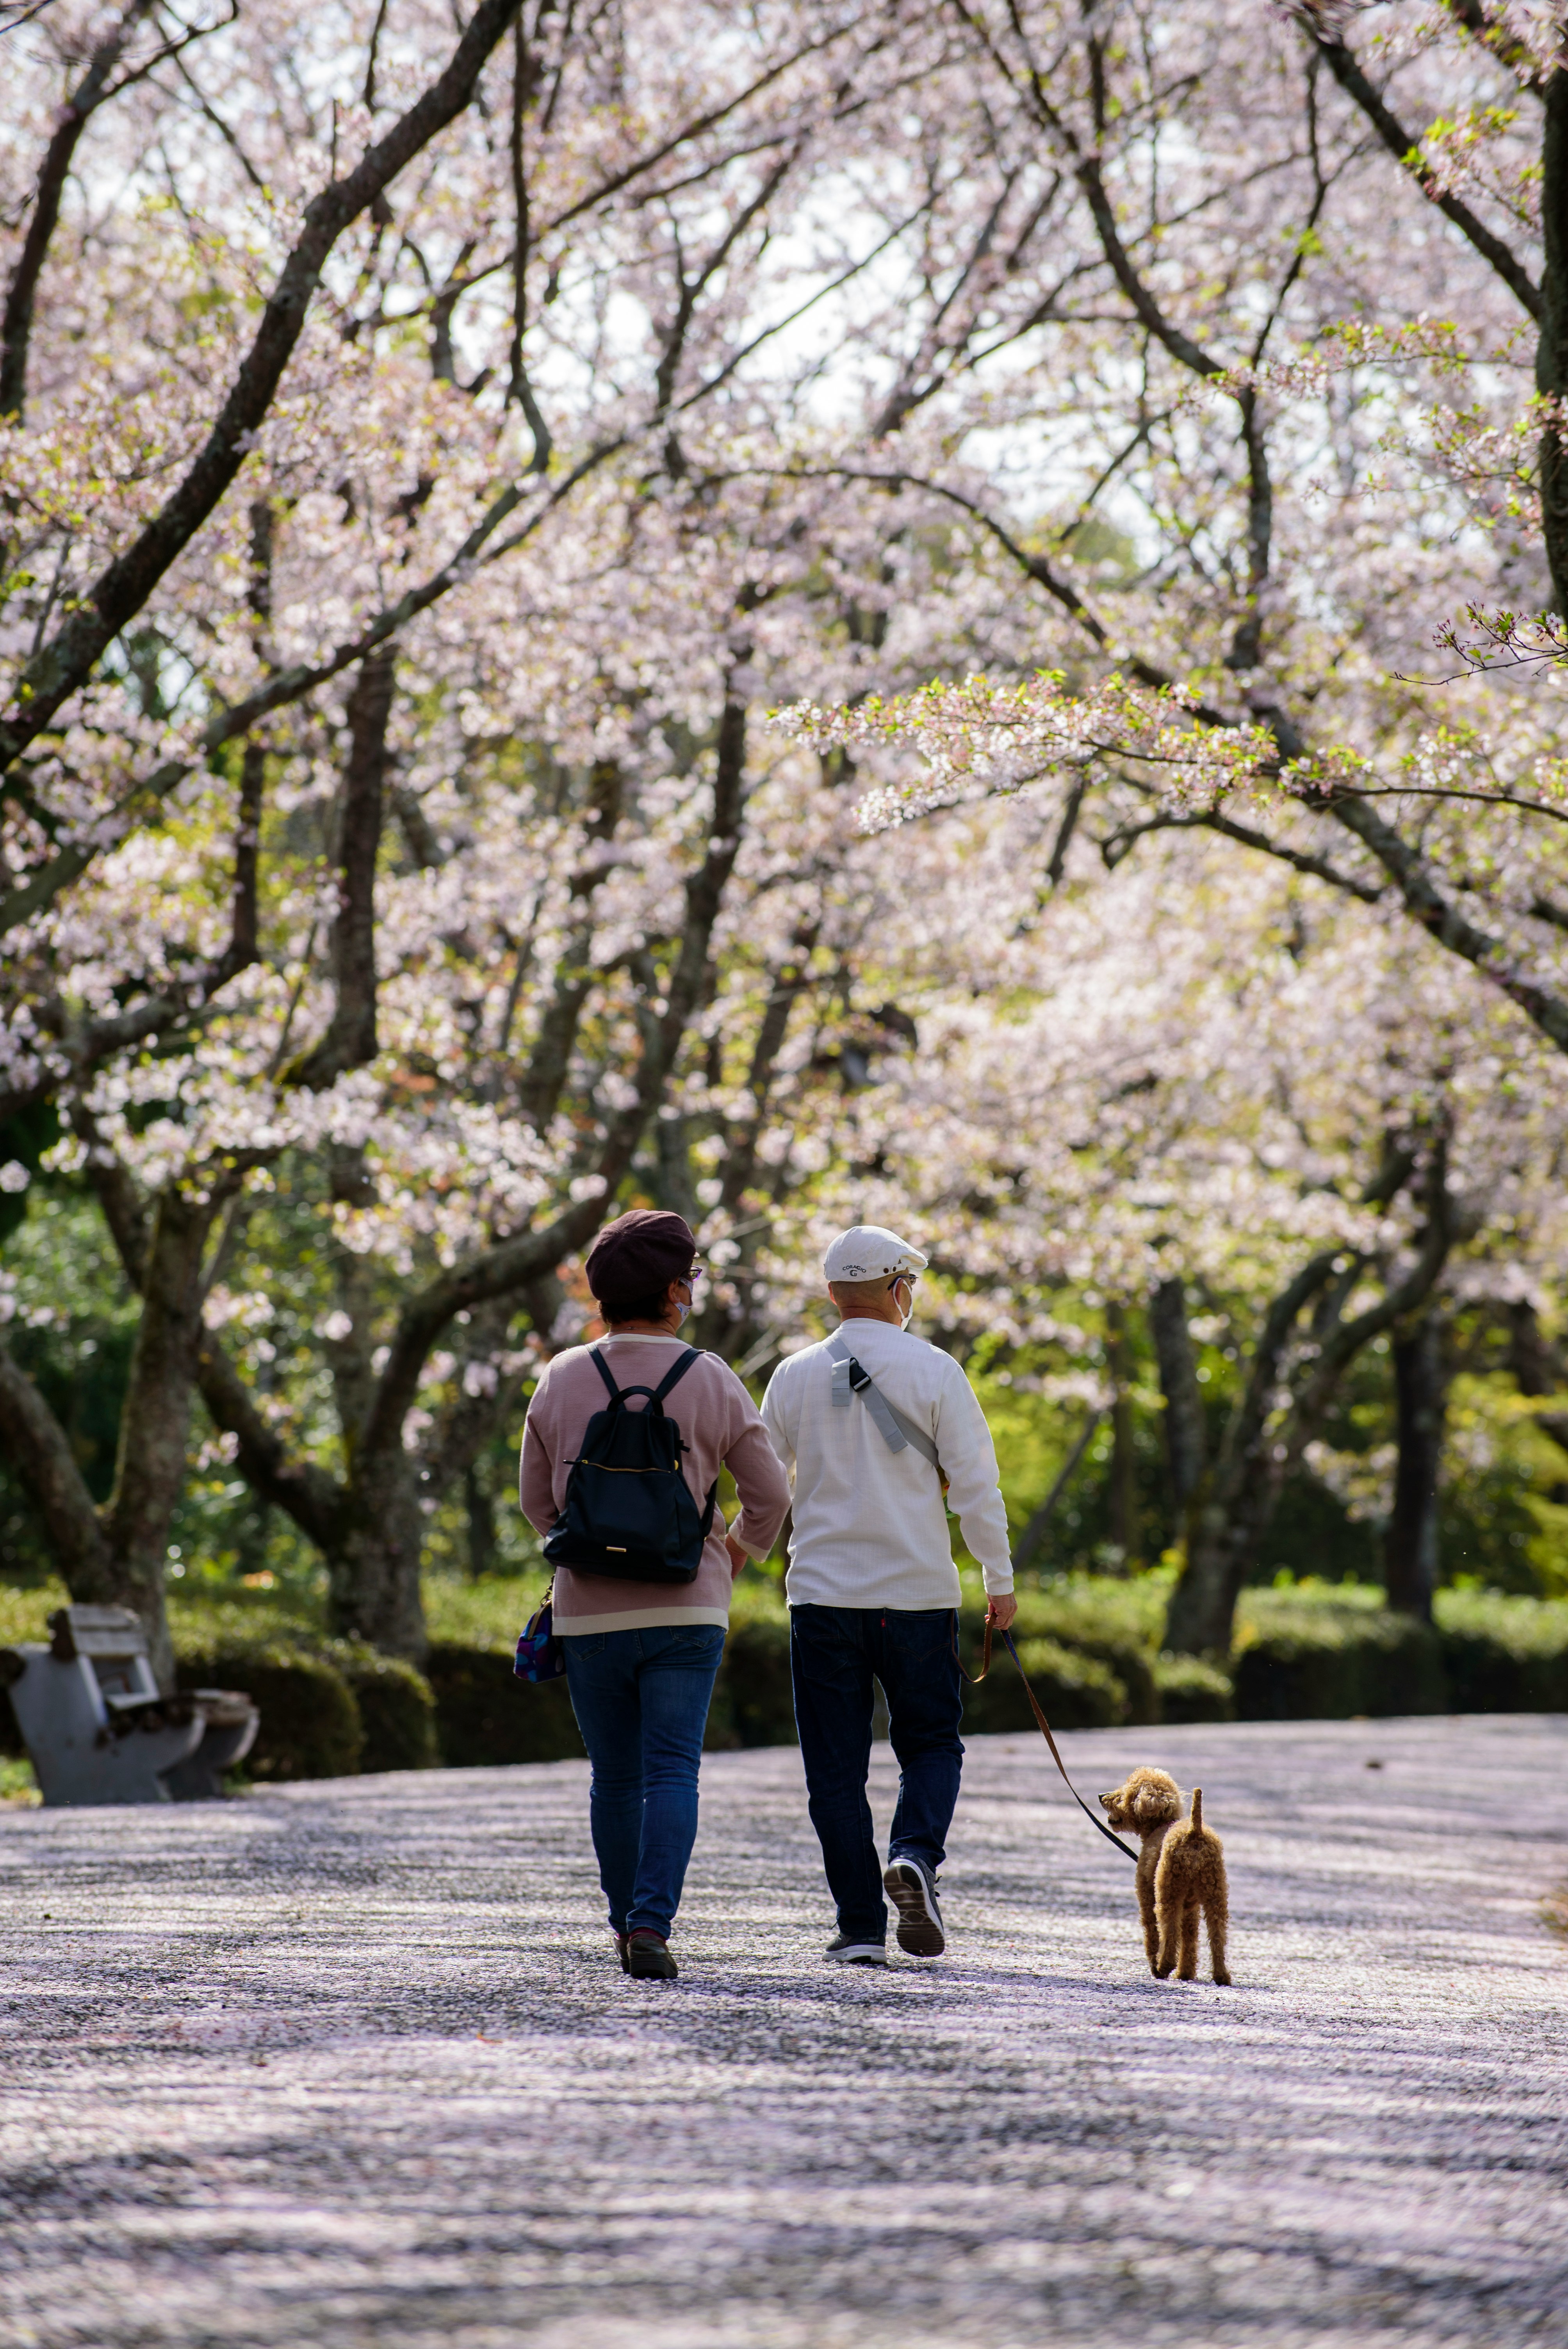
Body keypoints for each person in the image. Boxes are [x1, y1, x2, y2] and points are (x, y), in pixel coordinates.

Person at [520, 1208, 790, 1982]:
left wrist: (589, 1546)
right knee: (673, 1768)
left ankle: (620, 1922)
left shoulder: (563, 1376)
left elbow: (538, 1501)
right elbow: (770, 1493)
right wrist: (734, 1551)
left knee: (615, 1774)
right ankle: (651, 1921)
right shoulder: (709, 1376)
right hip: (686, 1604)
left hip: (589, 1606)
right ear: (674, 1290)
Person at [761, 1224, 1016, 1965]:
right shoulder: (937, 1370)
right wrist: (999, 1582)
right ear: (898, 1288)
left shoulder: (791, 1374)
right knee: (931, 1742)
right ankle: (913, 1857)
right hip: (916, 1596)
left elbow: (766, 1491)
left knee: (834, 1768)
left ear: (834, 1292)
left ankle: (860, 1929)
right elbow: (976, 1488)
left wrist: (730, 1558)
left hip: (821, 1597)